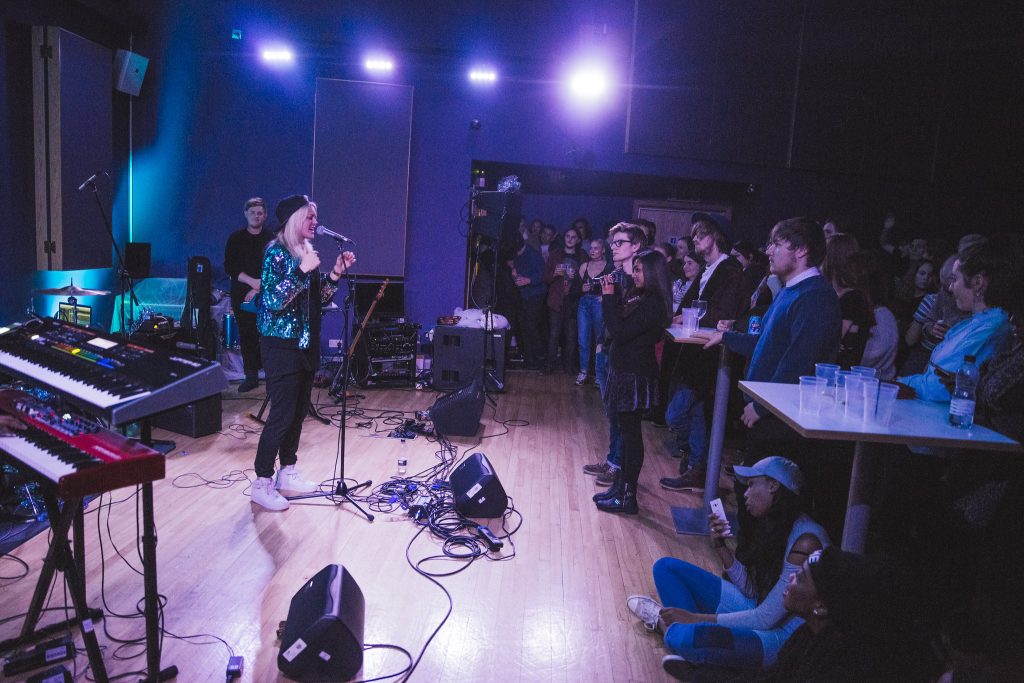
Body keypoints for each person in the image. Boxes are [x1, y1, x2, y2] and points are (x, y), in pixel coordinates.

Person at [626, 457, 828, 675]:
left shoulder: (806, 542)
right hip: (758, 610)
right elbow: (752, 591)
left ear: (773, 486)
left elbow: (764, 619)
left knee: (682, 637)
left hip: (780, 638)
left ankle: (664, 625)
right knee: (665, 568)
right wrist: (720, 546)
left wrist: (693, 618)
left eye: (751, 485)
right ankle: (704, 654)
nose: (745, 494)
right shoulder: (774, 524)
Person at [698, 218, 840, 461]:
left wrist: (762, 407)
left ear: (801, 250)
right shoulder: (791, 290)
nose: (768, 251)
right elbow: (767, 344)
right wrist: (727, 337)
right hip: (771, 410)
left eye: (777, 244)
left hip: (782, 417)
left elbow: (799, 363)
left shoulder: (815, 296)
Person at [250, 194, 356, 512]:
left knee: (298, 413)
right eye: (310, 217)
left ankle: (288, 470)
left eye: (315, 217)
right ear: (295, 220)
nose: (315, 222)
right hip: (280, 345)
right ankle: (261, 483)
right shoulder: (276, 253)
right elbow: (272, 300)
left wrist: (335, 273)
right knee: (281, 415)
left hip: (305, 343)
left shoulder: (306, 251)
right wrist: (300, 272)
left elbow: (317, 299)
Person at [734, 547, 920, 681]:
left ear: (821, 606)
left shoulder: (841, 667)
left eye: (800, 577)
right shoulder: (806, 636)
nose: (791, 577)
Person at [661, 216, 746, 491]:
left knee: (677, 414)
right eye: (694, 235)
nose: (695, 239)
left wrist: (687, 317)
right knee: (694, 413)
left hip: (710, 354)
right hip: (694, 351)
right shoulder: (708, 269)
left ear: (716, 236)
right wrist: (679, 317)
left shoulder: (730, 270)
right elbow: (688, 306)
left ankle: (698, 463)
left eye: (701, 234)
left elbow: (724, 312)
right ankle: (697, 467)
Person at [593, 247, 672, 513]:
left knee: (630, 437)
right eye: (634, 269)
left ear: (652, 272)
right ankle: (619, 489)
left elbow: (620, 331)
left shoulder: (653, 303)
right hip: (625, 371)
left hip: (634, 375)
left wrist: (608, 297)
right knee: (626, 434)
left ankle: (627, 497)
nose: (634, 274)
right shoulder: (643, 297)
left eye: (639, 270)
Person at [898, 243, 1010, 402]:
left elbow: (939, 387)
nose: (950, 288)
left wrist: (901, 383)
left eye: (954, 279)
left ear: (977, 282)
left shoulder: (991, 326)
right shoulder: (979, 321)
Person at [582, 224, 646, 486]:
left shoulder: (640, 281)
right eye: (613, 243)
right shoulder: (615, 276)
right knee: (611, 413)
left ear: (636, 246)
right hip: (607, 348)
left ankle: (618, 466)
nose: (614, 247)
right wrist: (600, 346)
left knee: (622, 415)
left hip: (625, 355)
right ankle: (612, 461)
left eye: (620, 242)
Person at [224, 197, 274, 392]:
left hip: (266, 293)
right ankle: (250, 376)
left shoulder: (271, 239)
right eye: (252, 212)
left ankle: (272, 377)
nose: (256, 216)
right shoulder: (235, 239)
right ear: (246, 214)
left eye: (259, 213)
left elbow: (275, 268)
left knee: (268, 336)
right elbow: (230, 267)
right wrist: (251, 282)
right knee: (247, 335)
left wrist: (258, 287)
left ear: (265, 215)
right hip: (242, 294)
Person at [820, 233, 874, 369]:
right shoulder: (833, 294)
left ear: (834, 258)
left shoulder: (853, 299)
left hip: (838, 374)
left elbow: (831, 340)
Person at [543, 226, 585, 374]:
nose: (570, 239)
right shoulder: (555, 254)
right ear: (564, 237)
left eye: (573, 237)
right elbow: (545, 278)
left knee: (571, 335)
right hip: (557, 300)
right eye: (568, 236)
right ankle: (549, 366)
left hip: (574, 300)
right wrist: (555, 273)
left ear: (578, 240)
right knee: (554, 334)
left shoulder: (582, 256)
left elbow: (587, 277)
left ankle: (569, 367)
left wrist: (577, 277)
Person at [575, 238, 613, 385]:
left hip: (598, 303)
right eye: (591, 248)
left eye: (596, 248)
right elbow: (574, 289)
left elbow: (615, 287)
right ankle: (583, 371)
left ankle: (599, 374)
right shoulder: (584, 266)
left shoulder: (609, 267)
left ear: (603, 250)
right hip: (584, 302)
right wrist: (581, 288)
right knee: (583, 339)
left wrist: (605, 297)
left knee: (599, 339)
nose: (592, 251)